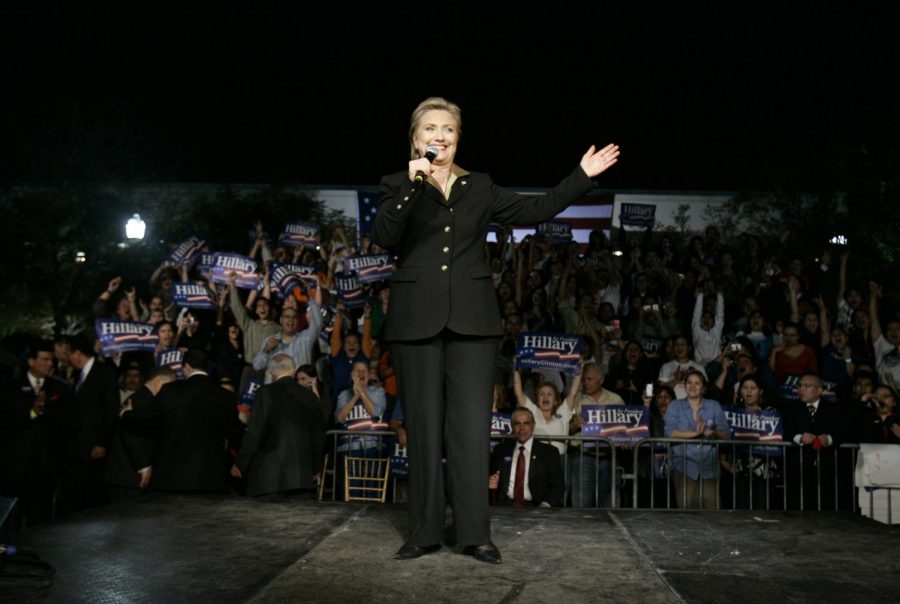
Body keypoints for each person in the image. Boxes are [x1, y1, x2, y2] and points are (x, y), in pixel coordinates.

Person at [372, 96, 619, 563]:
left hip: (473, 322)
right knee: (423, 429)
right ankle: (423, 532)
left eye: (447, 129)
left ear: (458, 138)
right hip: (414, 322)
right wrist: (413, 183)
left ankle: (473, 534)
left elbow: (534, 210)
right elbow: (385, 235)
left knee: (469, 430)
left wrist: (581, 177)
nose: (438, 136)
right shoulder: (396, 184)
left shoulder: (480, 186)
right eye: (429, 129)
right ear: (414, 138)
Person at [231, 354, 326, 496]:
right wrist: (316, 468)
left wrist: (241, 464)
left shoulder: (265, 393)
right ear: (293, 371)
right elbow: (318, 435)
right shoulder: (310, 396)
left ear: (270, 373)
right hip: (301, 477)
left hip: (269, 479)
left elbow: (255, 432)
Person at [0, 342, 72, 526]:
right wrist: (32, 412)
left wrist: (44, 412)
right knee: (12, 518)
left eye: (51, 360)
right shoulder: (10, 388)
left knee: (41, 516)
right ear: (31, 361)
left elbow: (66, 421)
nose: (50, 364)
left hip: (46, 464)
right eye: (45, 359)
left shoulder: (60, 389)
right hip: (16, 464)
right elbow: (6, 421)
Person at [60, 334, 120, 514]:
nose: (68, 360)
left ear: (77, 353)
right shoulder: (79, 375)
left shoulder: (104, 372)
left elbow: (111, 410)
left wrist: (102, 442)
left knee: (94, 493)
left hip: (95, 445)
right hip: (78, 445)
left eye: (68, 355)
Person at [664, 370, 729, 510]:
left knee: (713, 511)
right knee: (687, 511)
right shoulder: (675, 406)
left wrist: (714, 432)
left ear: (703, 387)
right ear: (684, 385)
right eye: (689, 382)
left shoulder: (713, 406)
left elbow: (726, 434)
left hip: (709, 466)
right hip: (684, 465)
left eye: (697, 383)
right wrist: (695, 433)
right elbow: (670, 433)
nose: (692, 386)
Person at [489, 407, 565, 509]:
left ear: (533, 426)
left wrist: (545, 505)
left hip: (537, 507)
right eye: (517, 424)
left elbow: (558, 485)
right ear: (512, 426)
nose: (522, 428)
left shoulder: (549, 452)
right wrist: (491, 483)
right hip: (505, 506)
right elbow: (491, 480)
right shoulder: (501, 450)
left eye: (526, 423)